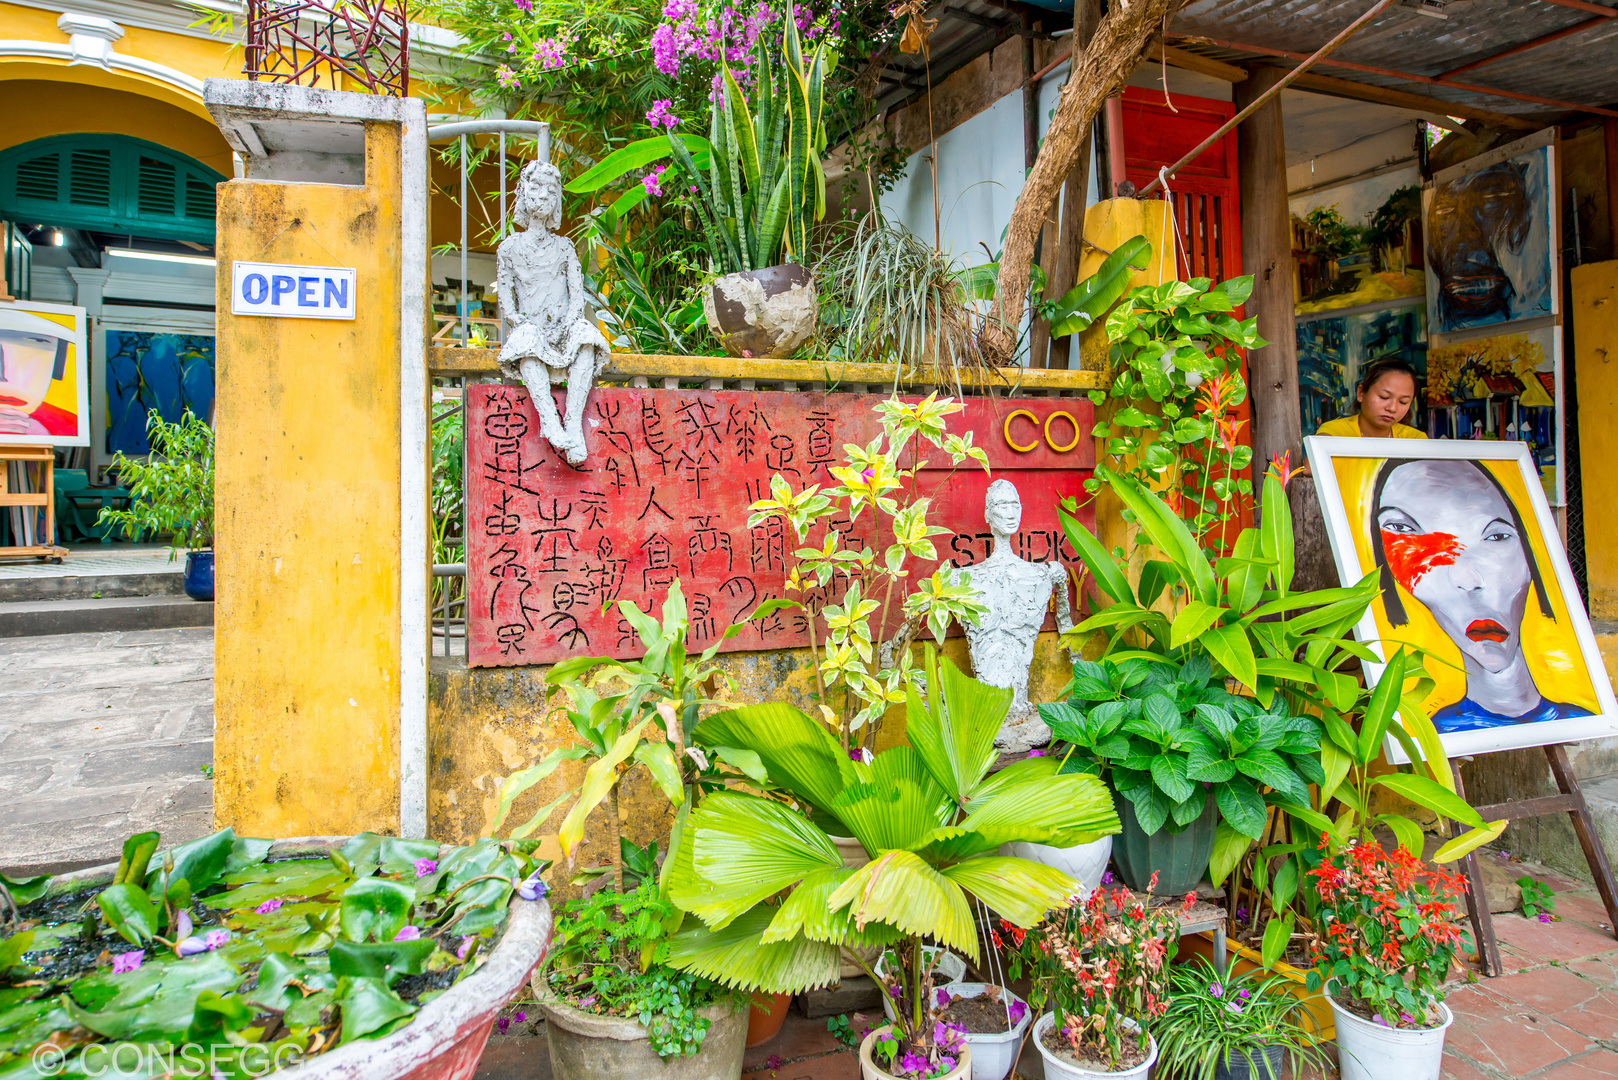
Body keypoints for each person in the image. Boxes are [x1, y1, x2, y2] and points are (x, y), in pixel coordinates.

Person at [1370, 457, 1587, 732]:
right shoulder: (1429, 734)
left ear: (1528, 553)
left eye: (1495, 537)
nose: (1468, 579)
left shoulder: (1583, 721)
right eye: (1404, 531)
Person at [494, 161, 608, 466]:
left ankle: (573, 423)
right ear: (523, 193)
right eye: (535, 188)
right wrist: (522, 323)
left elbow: (576, 293)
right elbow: (507, 301)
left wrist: (569, 321)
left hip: (564, 329)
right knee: (526, 339)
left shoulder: (565, 247)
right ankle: (549, 420)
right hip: (532, 331)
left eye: (550, 190)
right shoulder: (509, 248)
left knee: (586, 336)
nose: (543, 196)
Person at [959, 480, 1076, 751]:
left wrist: (1081, 673)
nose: (1010, 513)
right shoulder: (963, 578)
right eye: (1002, 505)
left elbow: (1068, 630)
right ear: (988, 514)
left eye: (1015, 505)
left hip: (1026, 719)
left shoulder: (1043, 573)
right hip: (982, 720)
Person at [1315, 357, 1427, 440]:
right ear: (1361, 393)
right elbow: (1312, 465)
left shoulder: (1415, 439)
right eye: (1384, 397)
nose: (1392, 408)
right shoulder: (1336, 432)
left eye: (1403, 402)